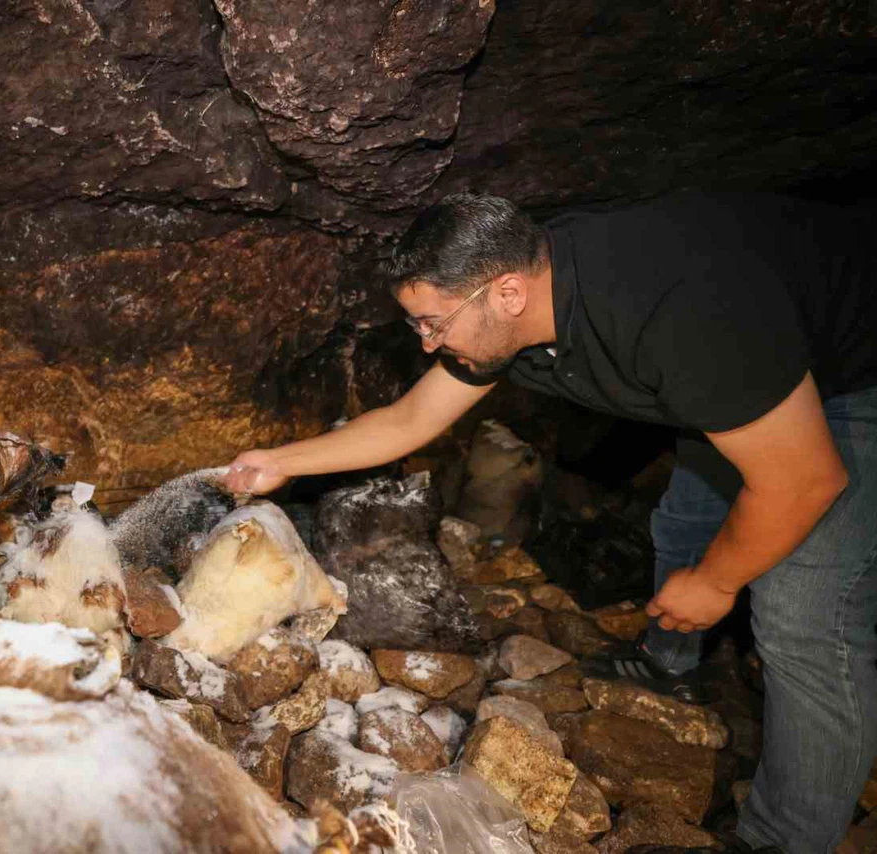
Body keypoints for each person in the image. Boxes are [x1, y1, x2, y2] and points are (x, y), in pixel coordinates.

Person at [223, 191, 877, 852]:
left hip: (853, 367)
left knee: (805, 617)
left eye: (432, 322)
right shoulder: (507, 313)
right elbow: (410, 421)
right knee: (689, 518)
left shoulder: (679, 311)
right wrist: (281, 461)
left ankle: (786, 839)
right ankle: (670, 665)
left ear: (506, 294)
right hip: (748, 363)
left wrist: (718, 580)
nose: (427, 342)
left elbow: (805, 479)